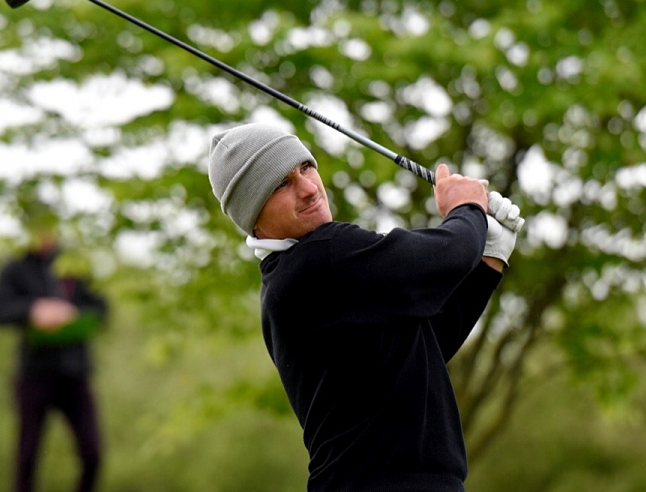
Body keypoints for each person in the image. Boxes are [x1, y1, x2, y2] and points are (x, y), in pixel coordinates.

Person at [208, 123, 520, 491]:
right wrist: (467, 208)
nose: (309, 189)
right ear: (253, 217)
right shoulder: (318, 260)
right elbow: (446, 256)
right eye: (280, 185)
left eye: (305, 168)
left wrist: (489, 259)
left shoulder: (311, 275)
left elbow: (427, 344)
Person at [0, 221, 108, 492]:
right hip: (34, 372)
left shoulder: (74, 265)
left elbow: (101, 307)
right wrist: (33, 309)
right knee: (27, 454)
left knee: (93, 453)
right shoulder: (15, 267)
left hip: (75, 372)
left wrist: (71, 314)